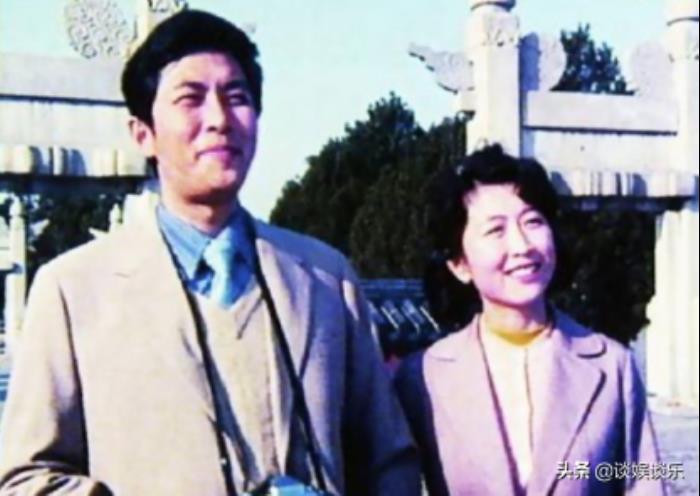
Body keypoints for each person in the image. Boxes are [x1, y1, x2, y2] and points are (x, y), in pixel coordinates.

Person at [0, 10, 420, 496]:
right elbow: (26, 478)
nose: (219, 119)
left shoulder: (326, 278)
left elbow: (388, 460)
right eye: (191, 99)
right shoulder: (73, 291)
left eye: (236, 97)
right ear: (143, 134)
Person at [395, 144, 664, 495]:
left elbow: (643, 480)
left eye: (533, 222)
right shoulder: (424, 377)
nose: (522, 246)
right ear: (460, 264)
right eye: (496, 230)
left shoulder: (613, 367)